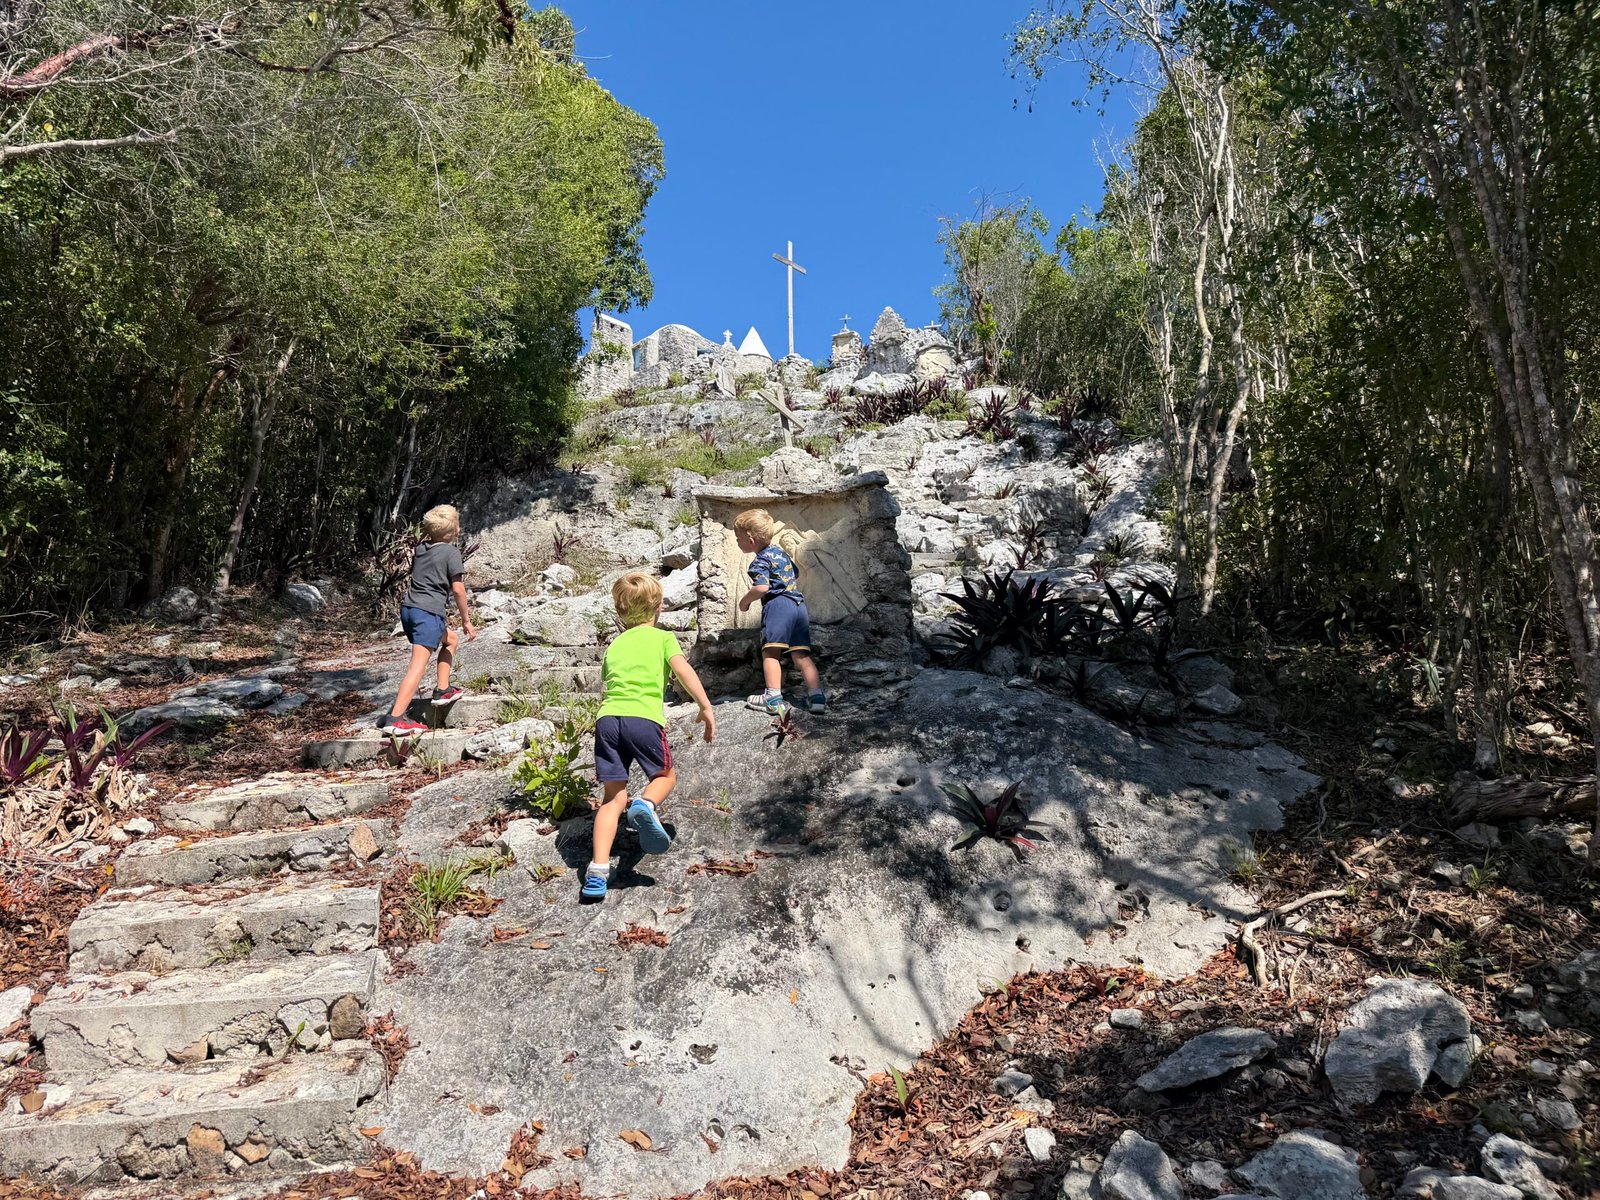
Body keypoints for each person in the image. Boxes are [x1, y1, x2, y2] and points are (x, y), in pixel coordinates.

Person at [582, 571, 716, 903]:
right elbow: (683, 670)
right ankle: (645, 804)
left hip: (607, 720)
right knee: (665, 776)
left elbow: (607, 682)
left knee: (612, 799)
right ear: (658, 607)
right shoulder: (663, 638)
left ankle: (597, 871)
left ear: (620, 611)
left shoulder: (615, 645)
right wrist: (705, 705)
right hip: (643, 719)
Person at [383, 505, 477, 733]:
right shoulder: (451, 553)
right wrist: (466, 619)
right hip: (428, 613)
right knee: (418, 666)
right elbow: (458, 590)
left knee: (450, 640)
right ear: (455, 530)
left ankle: (443, 690)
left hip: (410, 610)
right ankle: (395, 719)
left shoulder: (421, 549)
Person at [733, 508, 825, 716]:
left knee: (771, 653)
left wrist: (744, 602)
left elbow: (762, 588)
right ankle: (817, 697)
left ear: (750, 540)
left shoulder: (759, 562)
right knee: (801, 655)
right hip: (798, 606)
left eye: (738, 538)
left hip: (778, 606)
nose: (737, 542)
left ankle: (773, 699)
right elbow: (795, 572)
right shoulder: (779, 553)